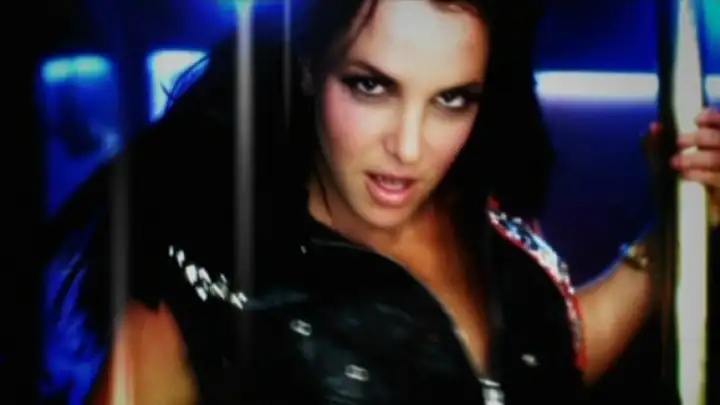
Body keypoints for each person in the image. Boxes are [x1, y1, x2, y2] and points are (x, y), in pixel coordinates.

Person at [38, 0, 720, 404]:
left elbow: (536, 370)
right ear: (310, 66)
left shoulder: (478, 213)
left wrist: (670, 237)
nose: (410, 148)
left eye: (452, 99)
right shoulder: (207, 282)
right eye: (372, 86)